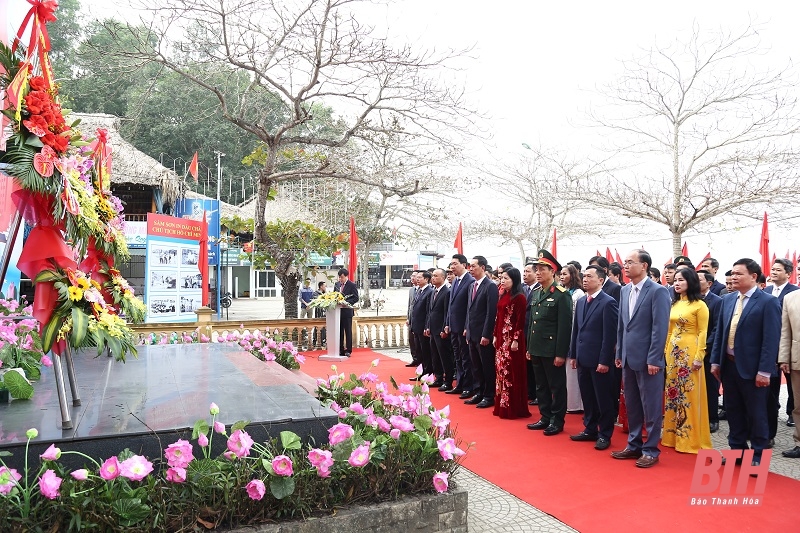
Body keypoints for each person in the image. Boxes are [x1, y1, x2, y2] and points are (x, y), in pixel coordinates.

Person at [711, 258, 780, 470]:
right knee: (733, 410)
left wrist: (765, 371)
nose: (733, 277)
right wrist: (715, 361)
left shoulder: (768, 302)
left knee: (756, 413)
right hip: (729, 366)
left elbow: (771, 340)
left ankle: (759, 454)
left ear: (754, 276)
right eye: (732, 273)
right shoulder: (728, 300)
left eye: (739, 274)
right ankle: (737, 450)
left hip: (754, 369)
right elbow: (720, 334)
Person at [612, 249, 670, 468]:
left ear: (644, 266)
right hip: (628, 357)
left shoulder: (658, 291)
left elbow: (659, 327)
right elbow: (621, 326)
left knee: (652, 406)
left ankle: (651, 449)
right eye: (624, 262)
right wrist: (619, 353)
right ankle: (633, 444)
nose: (625, 266)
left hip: (648, 360)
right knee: (633, 404)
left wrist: (655, 359)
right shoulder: (625, 290)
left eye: (630, 262)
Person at [662, 268, 713, 454]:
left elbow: (702, 332)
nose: (676, 283)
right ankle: (671, 436)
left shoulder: (700, 305)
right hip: (673, 354)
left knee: (688, 394)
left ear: (690, 282)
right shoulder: (674, 304)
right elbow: (669, 331)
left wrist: (699, 357)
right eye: (675, 280)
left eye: (681, 280)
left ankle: (689, 439)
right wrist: (665, 352)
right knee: (673, 394)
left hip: (689, 353)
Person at [568, 265, 619, 450]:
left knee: (603, 399)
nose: (585, 279)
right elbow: (577, 330)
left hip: (599, 361)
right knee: (588, 396)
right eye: (584, 276)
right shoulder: (582, 301)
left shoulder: (608, 302)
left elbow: (610, 336)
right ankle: (590, 429)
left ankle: (605, 434)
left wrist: (605, 361)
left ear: (601, 280)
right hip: (583, 358)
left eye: (590, 276)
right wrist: (573, 354)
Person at [526, 250, 573, 436]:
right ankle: (545, 417)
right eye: (536, 269)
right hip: (537, 347)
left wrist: (561, 353)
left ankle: (557, 420)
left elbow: (564, 327)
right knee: (541, 385)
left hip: (552, 349)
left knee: (557, 386)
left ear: (552, 271)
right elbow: (532, 323)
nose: (538, 272)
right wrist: (530, 346)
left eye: (542, 269)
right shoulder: (537, 293)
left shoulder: (562, 295)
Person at [765, 258, 798, 434]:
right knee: (771, 385)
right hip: (770, 344)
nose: (774, 272)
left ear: (788, 273)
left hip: (787, 344)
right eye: (773, 269)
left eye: (778, 270)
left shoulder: (794, 292)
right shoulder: (767, 290)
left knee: (793, 386)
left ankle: (792, 412)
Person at [492, 267, 531, 419]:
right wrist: (495, 335)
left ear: (514, 280)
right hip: (501, 339)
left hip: (512, 341)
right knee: (501, 371)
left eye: (506, 278)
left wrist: (515, 339)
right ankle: (501, 405)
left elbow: (520, 321)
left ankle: (513, 407)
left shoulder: (519, 297)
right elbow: (498, 317)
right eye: (501, 278)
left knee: (512, 372)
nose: (502, 281)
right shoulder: (503, 295)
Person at [464, 255, 499, 409]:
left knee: (486, 366)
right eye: (469, 266)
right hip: (472, 333)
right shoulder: (472, 285)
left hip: (483, 334)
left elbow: (490, 313)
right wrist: (467, 328)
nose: (471, 269)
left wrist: (486, 334)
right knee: (475, 366)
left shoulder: (490, 286)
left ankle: (488, 395)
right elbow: (469, 310)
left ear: (483, 267)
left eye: (473, 266)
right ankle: (478, 392)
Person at [445, 254, 475, 398]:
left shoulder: (470, 281)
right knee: (457, 357)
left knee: (466, 358)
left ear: (464, 264)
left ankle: (468, 386)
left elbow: (470, 307)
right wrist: (447, 323)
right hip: (453, 326)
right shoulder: (455, 281)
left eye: (455, 264)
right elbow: (451, 306)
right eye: (451, 264)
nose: (452, 267)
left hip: (463, 327)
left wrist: (466, 327)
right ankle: (460, 384)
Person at [698, 270, 722, 432]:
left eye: (699, 279)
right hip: (692, 350)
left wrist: (705, 345)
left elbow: (716, 328)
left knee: (710, 386)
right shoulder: (690, 300)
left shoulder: (717, 301)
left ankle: (712, 418)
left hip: (709, 351)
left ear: (709, 283)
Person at [560, 263, 585, 414]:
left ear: (573, 275)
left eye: (565, 274)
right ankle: (569, 403)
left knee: (573, 372)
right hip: (564, 334)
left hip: (573, 335)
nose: (562, 277)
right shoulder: (564, 292)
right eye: (561, 274)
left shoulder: (578, 294)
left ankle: (576, 405)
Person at [778, 289, 800, 458]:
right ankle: (799, 442)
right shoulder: (790, 298)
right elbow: (785, 332)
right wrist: (783, 358)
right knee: (798, 406)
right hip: (797, 360)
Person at [426, 268, 454, 390]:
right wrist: (427, 326)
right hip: (432, 329)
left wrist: (444, 328)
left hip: (441, 330)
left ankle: (447, 381)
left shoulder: (447, 292)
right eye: (432, 276)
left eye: (436, 276)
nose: (433, 278)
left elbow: (447, 312)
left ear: (443, 278)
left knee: (445, 356)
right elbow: (430, 311)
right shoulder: (433, 291)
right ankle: (438, 378)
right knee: (435, 355)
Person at [410, 271, 433, 380]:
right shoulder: (419, 290)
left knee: (425, 351)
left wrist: (426, 326)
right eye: (416, 277)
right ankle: (421, 372)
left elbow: (428, 311)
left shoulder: (429, 291)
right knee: (419, 351)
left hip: (423, 327)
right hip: (417, 326)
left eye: (420, 277)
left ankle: (427, 373)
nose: (417, 279)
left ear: (426, 279)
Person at [334, 268, 359, 357]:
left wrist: (347, 303)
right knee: (339, 331)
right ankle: (340, 349)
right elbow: (334, 296)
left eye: (342, 277)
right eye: (339, 277)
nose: (340, 279)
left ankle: (348, 350)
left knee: (348, 331)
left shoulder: (352, 285)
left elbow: (356, 298)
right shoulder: (336, 285)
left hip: (347, 312)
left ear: (346, 276)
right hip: (338, 312)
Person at [406, 271, 421, 367]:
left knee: (418, 342)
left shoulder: (423, 290)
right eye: (412, 276)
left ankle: (420, 360)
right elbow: (409, 305)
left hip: (419, 320)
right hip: (411, 319)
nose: (413, 278)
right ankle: (414, 358)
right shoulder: (411, 290)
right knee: (411, 340)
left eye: (415, 276)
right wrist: (408, 317)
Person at [312, 281, 327, 346]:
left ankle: (323, 340)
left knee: (324, 326)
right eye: (324, 286)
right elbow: (316, 301)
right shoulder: (315, 293)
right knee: (317, 325)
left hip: (324, 311)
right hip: (318, 311)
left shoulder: (325, 293)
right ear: (321, 286)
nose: (325, 287)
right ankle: (315, 339)